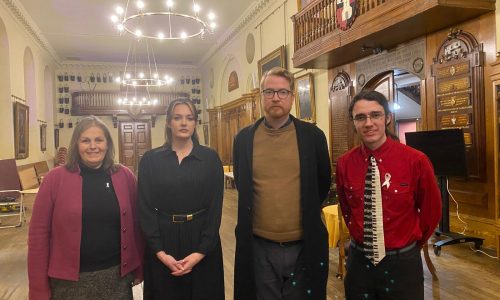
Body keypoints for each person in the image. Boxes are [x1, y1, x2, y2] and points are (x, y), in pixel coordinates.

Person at [232, 67, 332, 300]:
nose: (276, 97)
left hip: (303, 244)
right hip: (259, 246)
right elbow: (242, 182)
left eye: (282, 92)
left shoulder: (313, 137)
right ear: (260, 96)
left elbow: (322, 181)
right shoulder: (244, 139)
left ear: (292, 97)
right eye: (269, 92)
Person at [336, 90, 442, 299]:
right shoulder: (344, 164)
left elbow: (431, 211)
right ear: (354, 123)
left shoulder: (416, 161)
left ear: (387, 118)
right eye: (360, 117)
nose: (368, 123)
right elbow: (348, 210)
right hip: (359, 264)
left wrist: (409, 244)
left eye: (375, 115)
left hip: (402, 265)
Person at [28, 116, 143, 300]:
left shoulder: (124, 176)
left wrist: (139, 267)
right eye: (85, 140)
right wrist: (38, 288)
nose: (93, 146)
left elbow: (136, 224)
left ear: (108, 144)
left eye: (99, 140)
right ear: (76, 144)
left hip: (116, 279)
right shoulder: (55, 179)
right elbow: (38, 236)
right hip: (69, 283)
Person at [138, 98, 224, 300]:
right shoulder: (150, 160)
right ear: (168, 122)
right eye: (177, 118)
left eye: (189, 118)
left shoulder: (210, 159)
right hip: (163, 241)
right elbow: (145, 208)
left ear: (195, 123)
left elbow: (215, 208)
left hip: (202, 241)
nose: (184, 123)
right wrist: (160, 252)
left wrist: (200, 253)